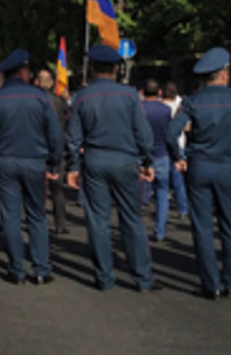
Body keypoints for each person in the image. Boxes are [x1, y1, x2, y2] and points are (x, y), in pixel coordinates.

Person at [166, 48, 231, 299]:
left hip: (199, 165)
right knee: (230, 226)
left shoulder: (193, 102)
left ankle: (211, 284)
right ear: (225, 74)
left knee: (203, 227)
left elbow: (171, 133)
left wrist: (178, 157)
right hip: (228, 166)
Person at [66, 45, 159, 292]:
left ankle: (104, 277)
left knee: (98, 220)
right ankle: (142, 278)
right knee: (132, 219)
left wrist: (74, 165)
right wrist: (147, 161)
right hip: (125, 160)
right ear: (117, 68)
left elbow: (73, 137)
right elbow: (144, 133)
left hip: (95, 159)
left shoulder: (81, 97)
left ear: (92, 68)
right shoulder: (130, 95)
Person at [0, 49, 63, 285]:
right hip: (35, 161)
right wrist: (55, 162)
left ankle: (16, 270)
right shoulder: (41, 97)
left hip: (4, 161)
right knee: (37, 216)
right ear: (25, 72)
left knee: (11, 217)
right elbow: (54, 135)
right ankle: (41, 269)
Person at [34, 68, 71, 234]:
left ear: (36, 82)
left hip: (38, 148)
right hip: (57, 147)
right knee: (57, 189)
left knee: (37, 188)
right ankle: (60, 223)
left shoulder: (33, 101)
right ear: (51, 84)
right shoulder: (60, 102)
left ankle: (36, 219)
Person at [140, 80, 175, 243]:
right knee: (162, 193)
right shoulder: (166, 110)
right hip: (161, 153)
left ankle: (137, 229)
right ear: (159, 92)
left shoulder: (138, 108)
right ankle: (160, 231)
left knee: (136, 195)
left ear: (142, 91)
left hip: (140, 155)